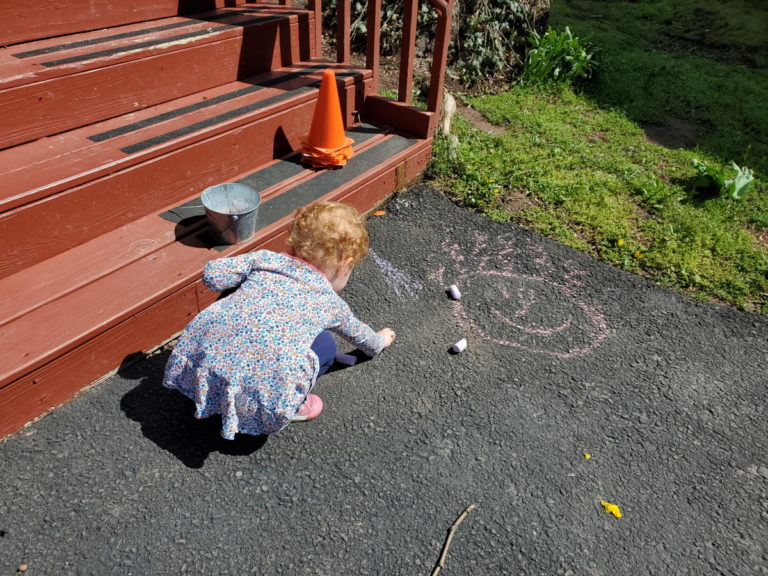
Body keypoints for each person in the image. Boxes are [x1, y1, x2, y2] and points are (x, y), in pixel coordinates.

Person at [162, 201, 396, 439]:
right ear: (344, 264)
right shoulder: (330, 303)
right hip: (258, 399)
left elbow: (212, 275)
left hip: (202, 361)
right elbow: (363, 338)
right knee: (325, 345)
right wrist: (380, 341)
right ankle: (290, 404)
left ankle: (214, 391)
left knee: (233, 298)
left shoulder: (265, 260)